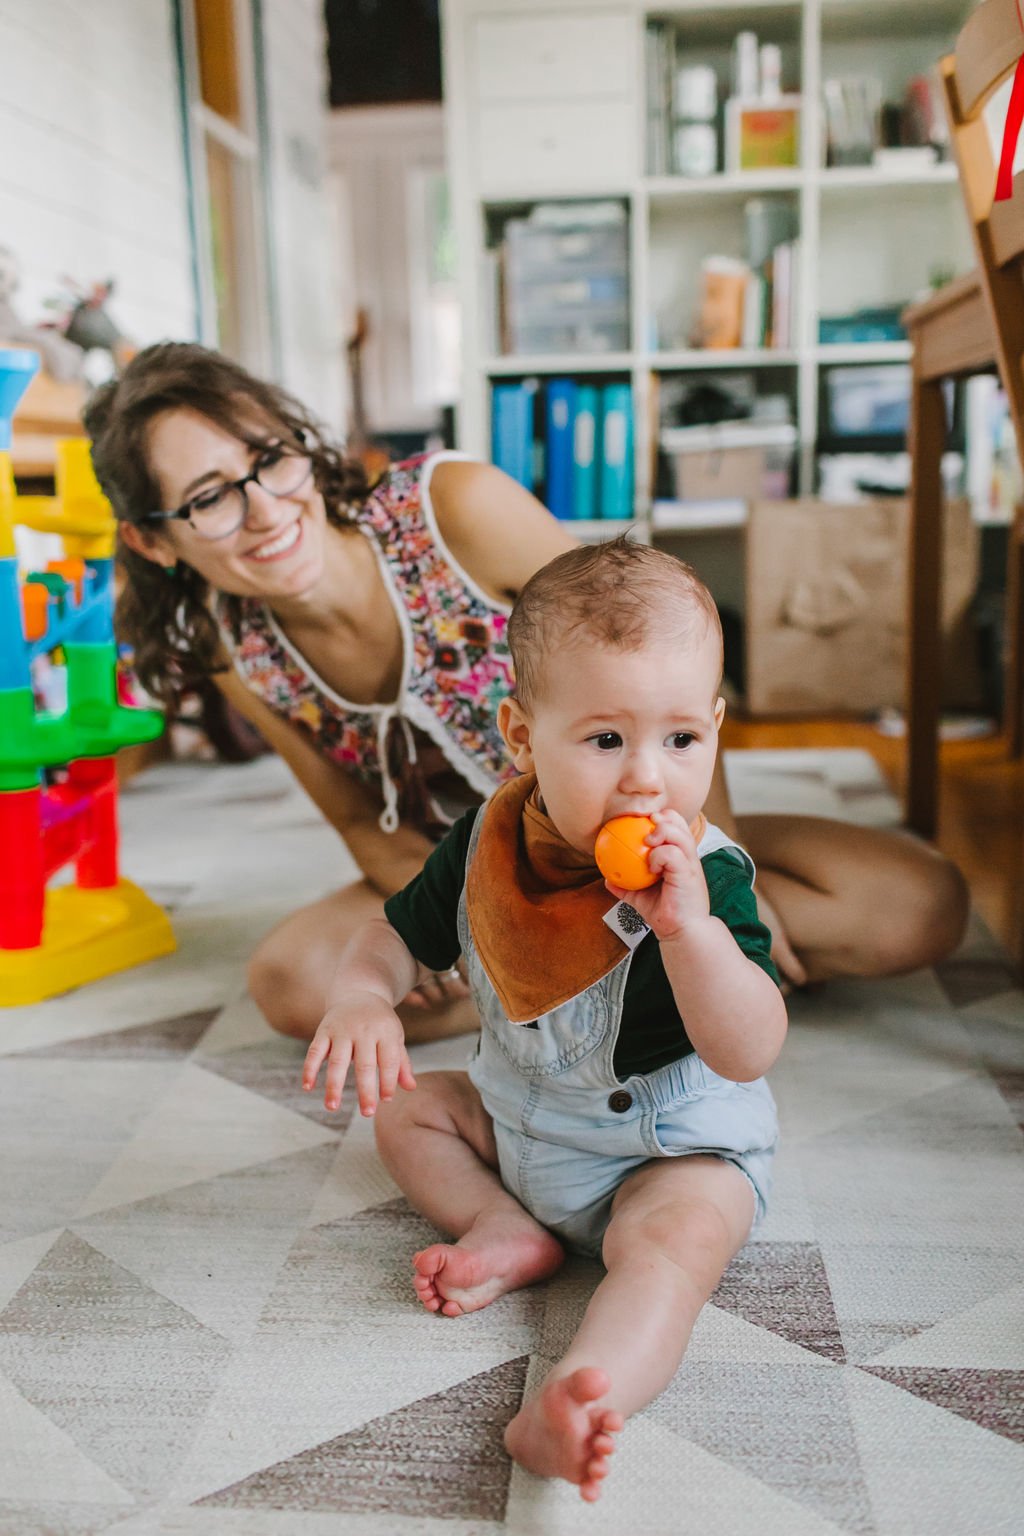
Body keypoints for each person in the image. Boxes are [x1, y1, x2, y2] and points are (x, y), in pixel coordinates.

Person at [85, 342, 967, 1046]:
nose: (268, 510)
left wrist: (708, 857)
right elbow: (360, 826)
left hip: (640, 829)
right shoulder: (231, 643)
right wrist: (485, 922)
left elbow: (664, 666)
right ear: (153, 541)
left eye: (269, 461)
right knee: (292, 982)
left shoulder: (453, 505)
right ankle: (612, 984)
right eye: (209, 499)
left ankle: (592, 980)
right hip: (470, 869)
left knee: (919, 905)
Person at [303, 539, 788, 1499]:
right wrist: (364, 997)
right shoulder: (489, 841)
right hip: (520, 1123)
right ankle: (501, 1225)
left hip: (670, 1147)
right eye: (606, 741)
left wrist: (689, 935)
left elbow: (748, 1049)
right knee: (404, 1110)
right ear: (522, 739)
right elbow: (390, 937)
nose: (648, 780)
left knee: (675, 1251)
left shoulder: (709, 874)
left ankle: (576, 1397)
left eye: (681, 740)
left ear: (717, 731)